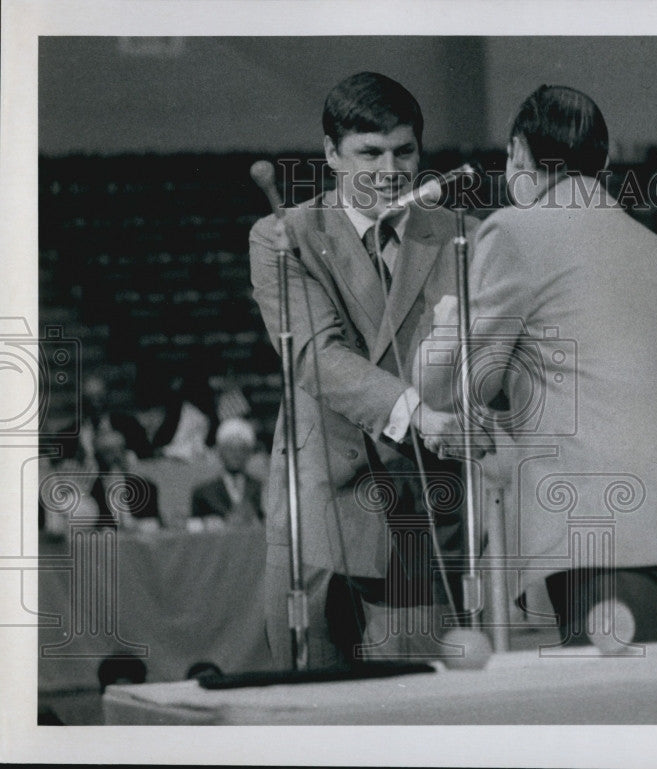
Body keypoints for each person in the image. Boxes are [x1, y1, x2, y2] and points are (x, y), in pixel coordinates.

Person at [419, 85, 657, 646]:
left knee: (618, 725)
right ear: (604, 158)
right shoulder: (654, 246)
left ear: (520, 152)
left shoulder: (514, 229)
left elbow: (462, 385)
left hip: (607, 527)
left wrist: (450, 321)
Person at [248, 72, 484, 669]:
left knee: (416, 718)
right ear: (331, 154)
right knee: (309, 717)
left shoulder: (464, 238)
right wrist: (418, 414)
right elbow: (315, 356)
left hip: (421, 515)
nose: (389, 169)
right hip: (319, 510)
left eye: (404, 151)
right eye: (369, 152)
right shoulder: (286, 236)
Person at [189, 417, 263, 529]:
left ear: (249, 453)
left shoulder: (261, 489)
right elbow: (193, 529)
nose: (235, 455)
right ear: (220, 452)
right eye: (230, 449)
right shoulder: (203, 493)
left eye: (241, 449)